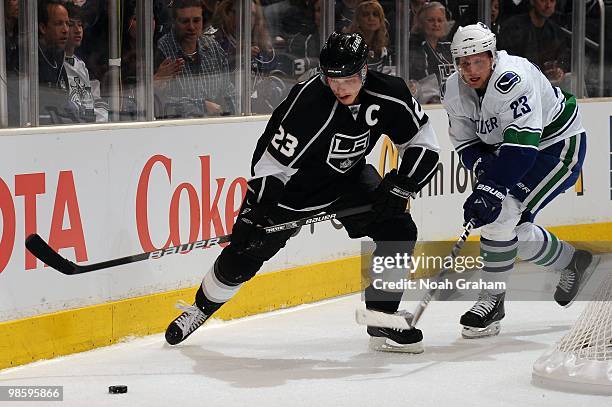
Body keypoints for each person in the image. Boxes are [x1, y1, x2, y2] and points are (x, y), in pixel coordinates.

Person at [165, 32, 440, 353]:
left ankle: (381, 316)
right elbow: (272, 162)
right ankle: (200, 308)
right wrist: (255, 212)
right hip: (294, 189)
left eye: (349, 79)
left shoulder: (389, 94)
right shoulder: (306, 102)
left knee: (399, 229)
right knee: (247, 252)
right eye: (332, 79)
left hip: (348, 180)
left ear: (365, 70)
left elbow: (422, 139)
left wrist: (403, 184)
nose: (340, 88)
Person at [441, 23, 598, 339]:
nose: (470, 69)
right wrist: (485, 172)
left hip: (556, 147)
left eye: (478, 61)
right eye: (463, 62)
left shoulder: (514, 80)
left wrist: (490, 188)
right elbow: (466, 143)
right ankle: (571, 261)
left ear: (492, 56)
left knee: (501, 216)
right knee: (514, 225)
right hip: (512, 149)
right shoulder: (454, 88)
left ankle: (492, 301)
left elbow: (521, 151)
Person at [155, 0, 236, 118]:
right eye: (185, 21)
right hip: (175, 129)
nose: (191, 27)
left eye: (196, 20)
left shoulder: (213, 47)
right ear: (174, 22)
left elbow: (228, 91)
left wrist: (235, 114)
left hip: (215, 126)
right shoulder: (162, 50)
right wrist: (202, 106)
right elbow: (163, 102)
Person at [497, 0, 569, 85]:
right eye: (543, 0)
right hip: (517, 83)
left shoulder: (555, 31)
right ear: (532, 1)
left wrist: (560, 69)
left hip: (545, 84)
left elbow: (564, 56)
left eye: (552, 1)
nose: (548, 5)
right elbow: (507, 61)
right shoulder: (513, 27)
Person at [63, 3, 109, 123]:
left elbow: (92, 103)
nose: (78, 30)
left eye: (80, 25)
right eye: (71, 24)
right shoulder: (56, 66)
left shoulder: (81, 65)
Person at [408, 1, 454, 104]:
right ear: (420, 23)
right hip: (427, 106)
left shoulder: (449, 47)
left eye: (440, 20)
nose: (436, 24)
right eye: (431, 20)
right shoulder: (414, 48)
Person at [345, 0, 394, 75]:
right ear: (358, 20)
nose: (371, 18)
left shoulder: (383, 48)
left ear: (380, 20)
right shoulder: (349, 45)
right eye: (365, 15)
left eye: (375, 14)